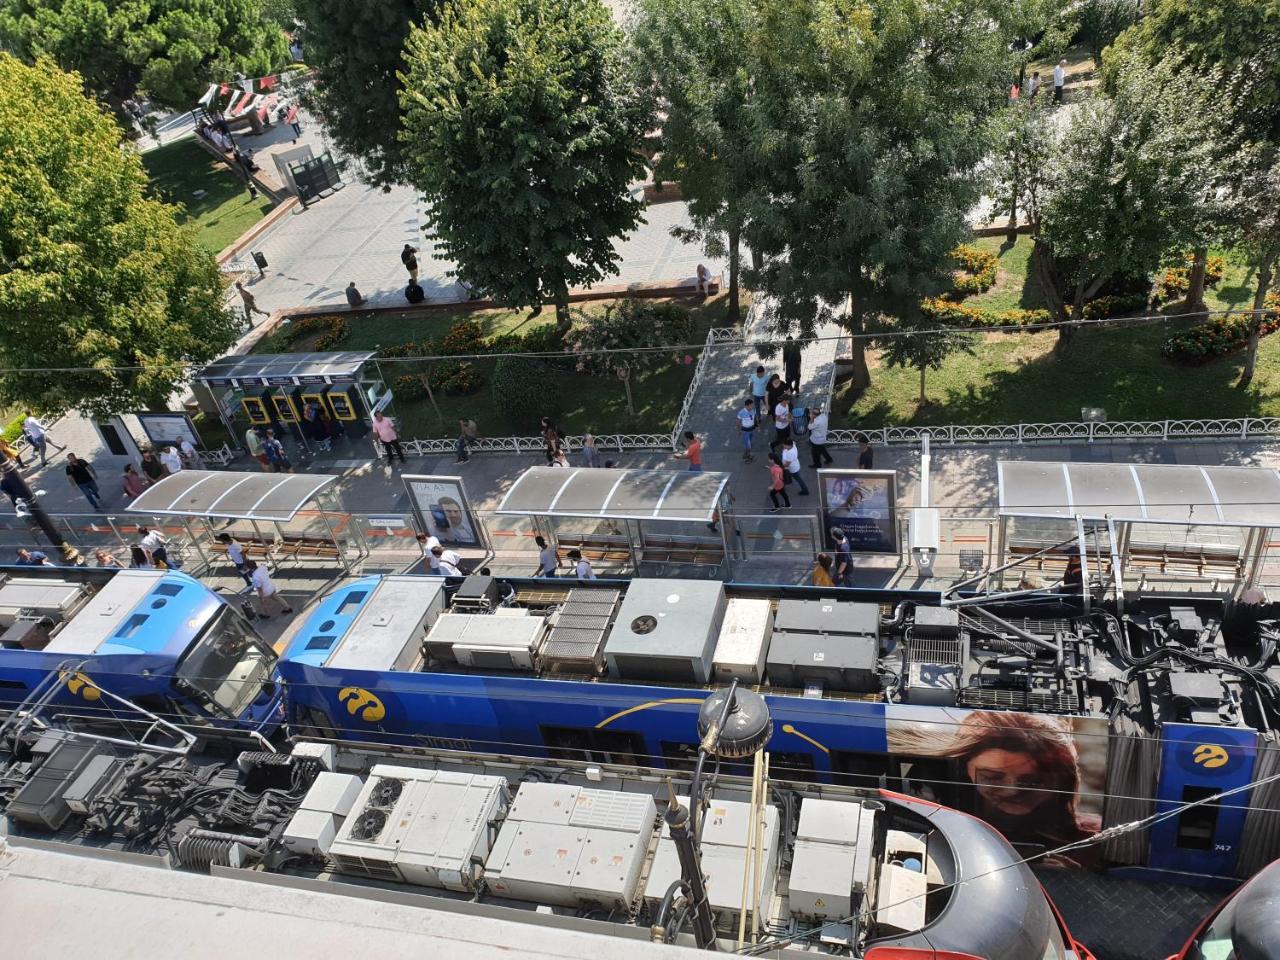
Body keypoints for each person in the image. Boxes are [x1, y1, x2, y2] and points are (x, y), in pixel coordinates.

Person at [887, 710, 1101, 865]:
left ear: (1060, 780)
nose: (1013, 791)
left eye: (1033, 781)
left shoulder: (1094, 840)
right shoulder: (932, 819)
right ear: (965, 770)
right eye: (992, 778)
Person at [809, 404, 833, 468]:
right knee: (822, 449)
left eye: (812, 414)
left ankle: (817, 465)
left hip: (817, 440)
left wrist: (811, 419)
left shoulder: (816, 422)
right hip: (822, 438)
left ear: (814, 415)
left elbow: (809, 427)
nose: (810, 414)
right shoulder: (824, 416)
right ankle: (829, 459)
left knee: (815, 454)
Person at [736, 398, 756, 463]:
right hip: (745, 431)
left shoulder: (753, 410)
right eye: (751, 405)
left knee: (750, 443)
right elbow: (738, 422)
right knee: (749, 445)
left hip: (752, 430)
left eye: (752, 405)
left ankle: (745, 454)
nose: (752, 407)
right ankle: (748, 458)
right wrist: (739, 431)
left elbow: (755, 418)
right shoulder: (741, 412)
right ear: (746, 406)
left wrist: (757, 426)